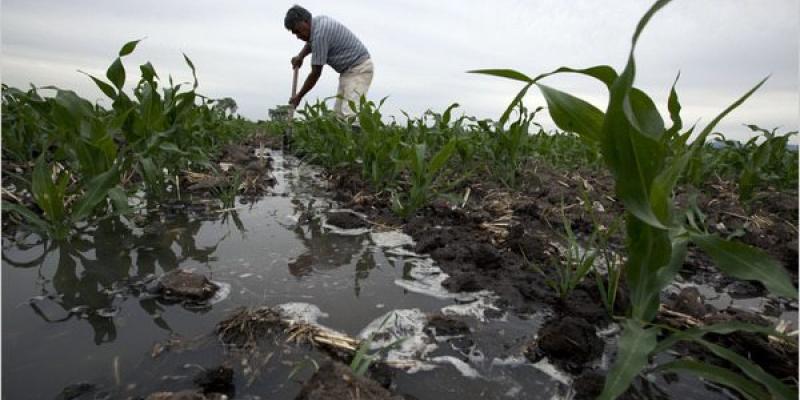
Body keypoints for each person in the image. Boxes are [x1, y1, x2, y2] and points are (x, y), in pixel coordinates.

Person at [284, 5, 374, 119]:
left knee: (350, 114)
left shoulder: (320, 34)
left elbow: (315, 73)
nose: (297, 36)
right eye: (294, 33)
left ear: (305, 22)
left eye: (297, 31)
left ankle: (354, 136)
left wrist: (299, 96)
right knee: (339, 116)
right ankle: (344, 136)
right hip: (348, 72)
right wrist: (300, 56)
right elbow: (311, 42)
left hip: (359, 69)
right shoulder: (318, 22)